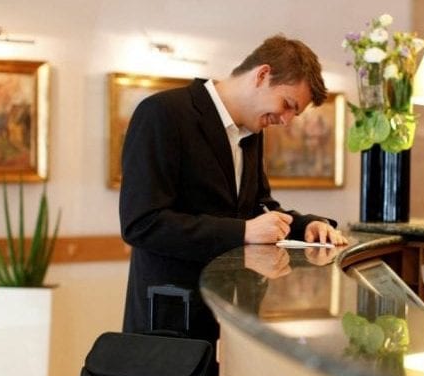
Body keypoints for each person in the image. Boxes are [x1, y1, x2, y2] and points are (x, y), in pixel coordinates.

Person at [120, 34, 348, 339]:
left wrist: (305, 225)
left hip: (229, 315)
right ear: (262, 75)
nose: (286, 121)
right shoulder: (163, 113)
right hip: (171, 320)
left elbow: (258, 206)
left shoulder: (251, 133)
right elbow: (142, 224)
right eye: (287, 105)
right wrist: (243, 232)